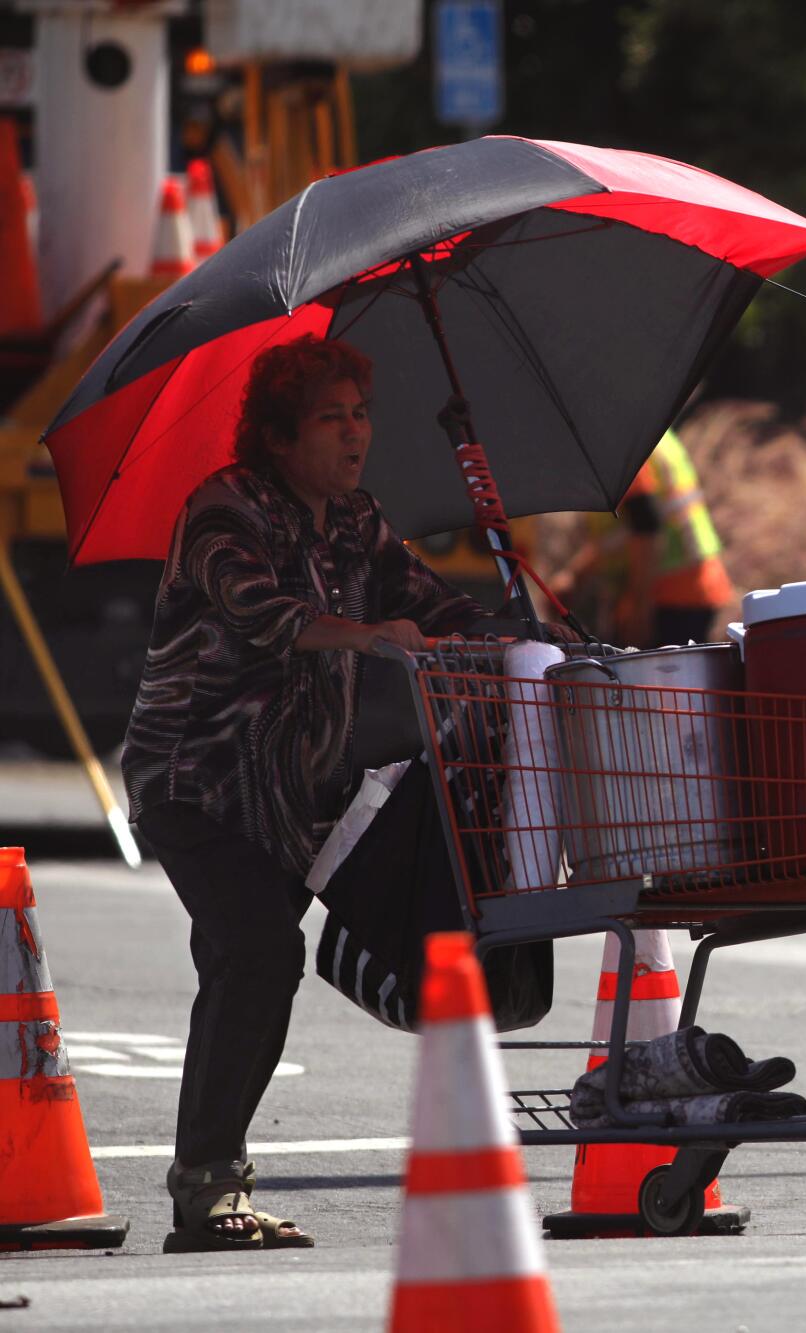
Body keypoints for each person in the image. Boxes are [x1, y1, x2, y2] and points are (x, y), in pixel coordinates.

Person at [123, 334, 489, 1252]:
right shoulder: (223, 509)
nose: (355, 433)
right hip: (197, 785)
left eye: (360, 414)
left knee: (246, 968)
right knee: (259, 954)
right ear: (280, 435)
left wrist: (527, 629)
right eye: (331, 417)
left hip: (290, 799)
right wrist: (365, 635)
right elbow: (262, 614)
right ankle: (208, 1186)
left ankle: (213, 1178)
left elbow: (435, 601)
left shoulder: (355, 520)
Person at [549, 428, 733, 645]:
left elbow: (646, 529)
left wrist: (639, 612)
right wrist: (576, 576)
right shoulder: (642, 431)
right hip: (685, 590)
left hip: (670, 599)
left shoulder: (617, 442)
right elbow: (626, 530)